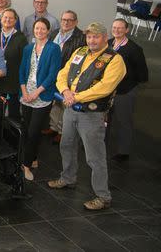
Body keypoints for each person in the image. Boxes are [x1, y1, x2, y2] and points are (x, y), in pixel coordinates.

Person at [48, 22, 126, 211]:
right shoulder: (80, 51)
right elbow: (63, 73)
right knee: (66, 145)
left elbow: (105, 87)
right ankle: (68, 178)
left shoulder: (114, 60)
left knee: (95, 157)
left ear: (104, 37)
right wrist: (65, 90)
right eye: (89, 36)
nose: (91, 40)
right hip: (70, 110)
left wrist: (76, 97)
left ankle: (103, 196)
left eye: (96, 36)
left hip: (92, 114)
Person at [19, 18, 61, 180]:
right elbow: (22, 70)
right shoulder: (28, 48)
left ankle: (26, 165)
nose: (39, 31)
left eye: (43, 29)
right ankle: (33, 158)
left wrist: (36, 93)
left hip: (42, 95)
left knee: (34, 131)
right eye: (37, 28)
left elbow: (53, 74)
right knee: (26, 129)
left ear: (48, 31)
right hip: (26, 94)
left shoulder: (54, 49)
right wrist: (24, 91)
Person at [107, 19, 148, 161]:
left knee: (124, 121)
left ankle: (123, 151)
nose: (116, 30)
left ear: (127, 30)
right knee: (105, 119)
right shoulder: (108, 43)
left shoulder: (134, 49)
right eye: (114, 27)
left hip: (125, 91)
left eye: (120, 28)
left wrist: (125, 79)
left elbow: (143, 75)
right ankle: (101, 143)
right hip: (107, 90)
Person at [45, 10, 86, 142]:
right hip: (53, 74)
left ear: (76, 22)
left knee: (64, 104)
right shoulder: (55, 32)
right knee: (55, 103)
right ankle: (53, 127)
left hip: (68, 77)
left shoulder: (81, 38)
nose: (66, 22)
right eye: (63, 19)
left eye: (69, 20)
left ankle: (62, 132)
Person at [0, 8, 29, 120]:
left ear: (15, 20)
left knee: (12, 113)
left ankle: (11, 136)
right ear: (1, 19)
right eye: (5, 17)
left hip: (12, 82)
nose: (7, 20)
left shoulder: (21, 38)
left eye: (11, 18)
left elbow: (24, 62)